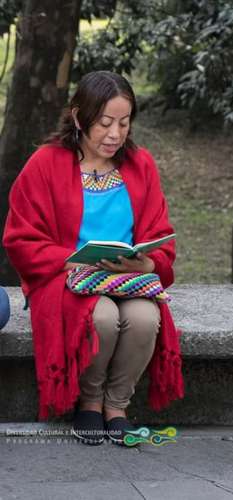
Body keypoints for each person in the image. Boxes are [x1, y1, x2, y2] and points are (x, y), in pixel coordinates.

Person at [2, 71, 184, 446]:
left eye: (123, 122)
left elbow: (159, 235)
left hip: (126, 277)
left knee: (144, 317)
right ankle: (89, 401)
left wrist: (147, 263)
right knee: (101, 316)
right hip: (65, 279)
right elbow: (19, 239)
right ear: (79, 117)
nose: (115, 134)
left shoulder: (140, 164)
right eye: (104, 123)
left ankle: (117, 407)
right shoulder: (45, 163)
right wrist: (72, 259)